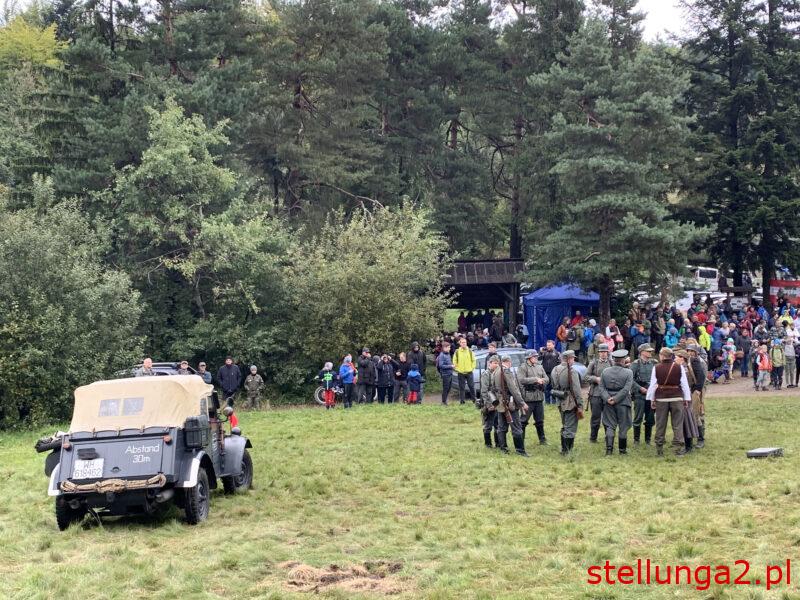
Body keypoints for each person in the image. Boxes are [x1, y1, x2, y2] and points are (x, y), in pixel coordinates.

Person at [646, 347, 691, 456]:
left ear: (662, 356)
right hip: (677, 398)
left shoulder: (656, 367)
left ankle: (659, 449)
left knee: (660, 424)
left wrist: (651, 399)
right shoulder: (679, 367)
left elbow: (653, 385)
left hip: (661, 398)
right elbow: (684, 384)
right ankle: (678, 449)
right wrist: (686, 398)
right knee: (677, 424)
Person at [599, 349, 634, 455]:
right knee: (623, 426)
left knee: (609, 425)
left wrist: (608, 398)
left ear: (614, 360)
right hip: (623, 402)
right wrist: (616, 398)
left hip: (608, 402)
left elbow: (601, 387)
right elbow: (626, 389)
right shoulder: (628, 372)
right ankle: (622, 450)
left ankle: (609, 450)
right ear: (623, 360)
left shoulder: (605, 371)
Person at [550, 350, 584, 455]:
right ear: (569, 359)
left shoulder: (555, 369)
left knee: (565, 424)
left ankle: (564, 449)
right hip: (571, 402)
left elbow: (553, 385)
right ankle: (567, 451)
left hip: (560, 400)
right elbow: (577, 390)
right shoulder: (572, 371)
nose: (573, 360)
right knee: (570, 427)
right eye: (573, 358)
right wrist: (580, 404)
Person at [494, 355, 529, 456]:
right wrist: (522, 403)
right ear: (508, 362)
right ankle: (520, 451)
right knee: (516, 427)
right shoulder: (506, 371)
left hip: (500, 402)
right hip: (509, 403)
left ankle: (503, 449)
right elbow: (513, 389)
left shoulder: (496, 371)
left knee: (502, 427)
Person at [516, 349, 549, 446]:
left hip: (539, 397)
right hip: (528, 398)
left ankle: (542, 440)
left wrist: (542, 381)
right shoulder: (523, 367)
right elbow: (521, 380)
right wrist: (535, 379)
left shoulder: (539, 366)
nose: (536, 358)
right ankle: (520, 442)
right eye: (534, 356)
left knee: (540, 420)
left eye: (536, 356)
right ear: (529, 358)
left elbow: (547, 378)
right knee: (523, 421)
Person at [583, 343, 614, 443]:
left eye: (605, 352)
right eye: (601, 352)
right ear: (598, 353)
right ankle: (593, 438)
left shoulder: (612, 363)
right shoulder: (593, 363)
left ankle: (608, 437)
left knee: (608, 418)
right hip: (595, 394)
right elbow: (586, 377)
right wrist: (596, 379)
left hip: (608, 394)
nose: (603, 353)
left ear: (607, 353)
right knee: (595, 417)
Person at [674, 351, 700, 452]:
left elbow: (685, 384)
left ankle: (688, 445)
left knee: (686, 421)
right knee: (686, 420)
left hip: (684, 397)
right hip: (685, 396)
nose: (674, 358)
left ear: (682, 358)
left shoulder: (684, 369)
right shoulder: (685, 367)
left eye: (676, 357)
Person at [630, 344, 656, 445]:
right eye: (648, 351)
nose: (650, 353)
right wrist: (639, 388)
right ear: (642, 352)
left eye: (650, 351)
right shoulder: (635, 364)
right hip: (639, 395)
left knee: (650, 418)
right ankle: (636, 440)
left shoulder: (653, 363)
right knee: (638, 417)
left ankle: (648, 440)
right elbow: (630, 379)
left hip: (651, 394)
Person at [479, 355, 501, 448]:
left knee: (498, 424)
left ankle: (498, 443)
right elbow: (484, 391)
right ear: (490, 363)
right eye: (495, 363)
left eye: (498, 363)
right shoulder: (486, 374)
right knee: (488, 425)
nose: (497, 365)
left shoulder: (497, 373)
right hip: (489, 402)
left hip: (497, 402)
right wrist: (488, 405)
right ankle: (488, 444)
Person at [453, 337, 477, 405]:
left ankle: (474, 400)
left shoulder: (470, 351)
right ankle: (462, 402)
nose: (464, 344)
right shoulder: (457, 352)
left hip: (469, 372)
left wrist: (472, 368)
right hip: (461, 373)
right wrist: (457, 369)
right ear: (460, 343)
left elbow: (474, 360)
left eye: (465, 342)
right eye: (462, 342)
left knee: (471, 386)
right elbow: (454, 361)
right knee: (462, 388)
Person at [540, 340, 561, 405]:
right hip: (546, 373)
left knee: (554, 388)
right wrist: (540, 352)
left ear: (553, 345)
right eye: (547, 345)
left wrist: (558, 373)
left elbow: (559, 363)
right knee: (546, 388)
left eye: (549, 345)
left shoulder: (557, 353)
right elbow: (538, 359)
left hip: (554, 374)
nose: (548, 346)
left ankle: (554, 402)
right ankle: (547, 402)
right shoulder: (544, 352)